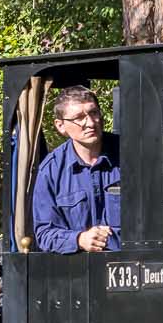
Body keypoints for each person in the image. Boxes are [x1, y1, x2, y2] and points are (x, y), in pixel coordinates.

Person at [29, 83, 120, 254]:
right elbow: (44, 233)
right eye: (79, 118)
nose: (90, 123)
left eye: (94, 113)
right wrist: (79, 239)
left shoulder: (131, 155)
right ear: (60, 125)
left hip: (133, 271)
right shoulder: (51, 171)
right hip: (78, 273)